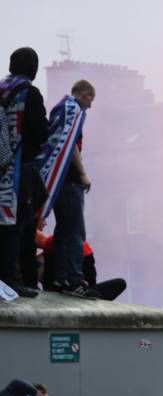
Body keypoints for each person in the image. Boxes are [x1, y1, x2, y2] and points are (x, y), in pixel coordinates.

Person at [0, 47, 49, 298]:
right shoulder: (29, 92)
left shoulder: (1, 88)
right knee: (17, 225)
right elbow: (41, 132)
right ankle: (12, 278)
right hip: (18, 169)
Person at [42, 80, 96, 298]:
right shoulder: (73, 110)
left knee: (63, 229)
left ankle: (59, 277)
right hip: (69, 179)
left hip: (56, 183)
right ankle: (74, 280)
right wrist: (83, 173)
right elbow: (70, 143)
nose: (90, 105)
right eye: (89, 99)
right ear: (81, 94)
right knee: (75, 231)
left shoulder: (59, 109)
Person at [38, 229, 126, 300]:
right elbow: (92, 283)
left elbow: (47, 281)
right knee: (119, 284)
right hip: (77, 291)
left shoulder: (51, 243)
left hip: (69, 290)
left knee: (120, 283)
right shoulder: (83, 247)